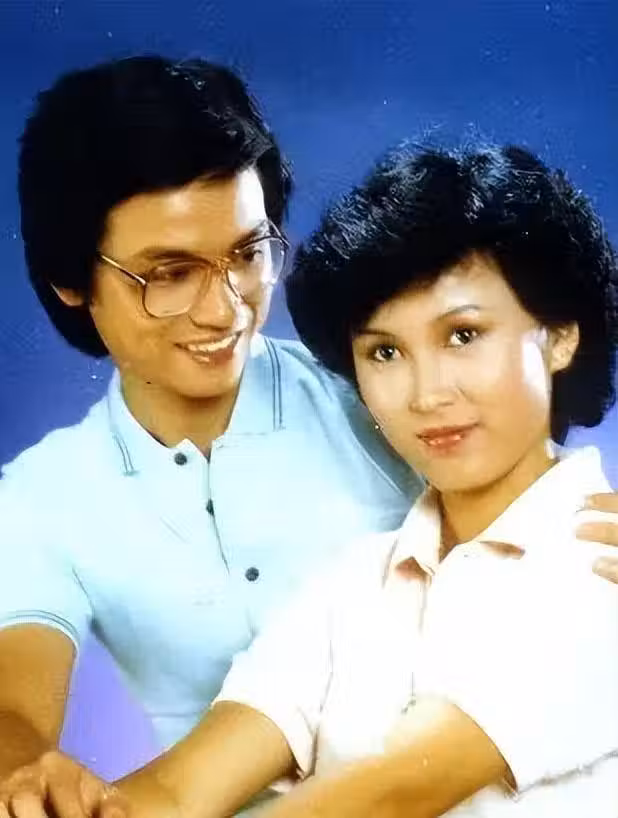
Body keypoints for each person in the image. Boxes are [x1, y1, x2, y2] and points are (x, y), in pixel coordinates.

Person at [106, 142, 618, 818]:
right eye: (385, 351)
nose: (428, 393)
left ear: (559, 335)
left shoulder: (599, 562)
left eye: (463, 335)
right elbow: (174, 793)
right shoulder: (351, 586)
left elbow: (387, 794)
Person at [0, 54, 421, 817]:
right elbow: (12, 710)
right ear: (70, 281)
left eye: (248, 254)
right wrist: (25, 776)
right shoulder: (40, 498)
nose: (224, 309)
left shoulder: (379, 398)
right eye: (170, 274)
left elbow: (546, 527)